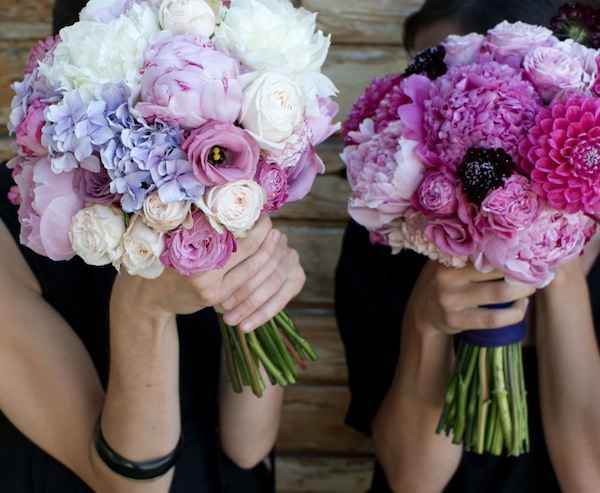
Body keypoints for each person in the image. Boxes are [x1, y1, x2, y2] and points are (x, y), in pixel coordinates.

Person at [0, 1, 306, 492]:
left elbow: (249, 446)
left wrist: (256, 286)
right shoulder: (20, 215)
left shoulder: (210, 179)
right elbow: (130, 486)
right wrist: (144, 307)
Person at [335, 1, 600, 492]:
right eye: (413, 76)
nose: (411, 113)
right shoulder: (383, 232)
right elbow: (413, 481)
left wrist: (549, 245)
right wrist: (426, 328)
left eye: (440, 82)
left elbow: (589, 477)